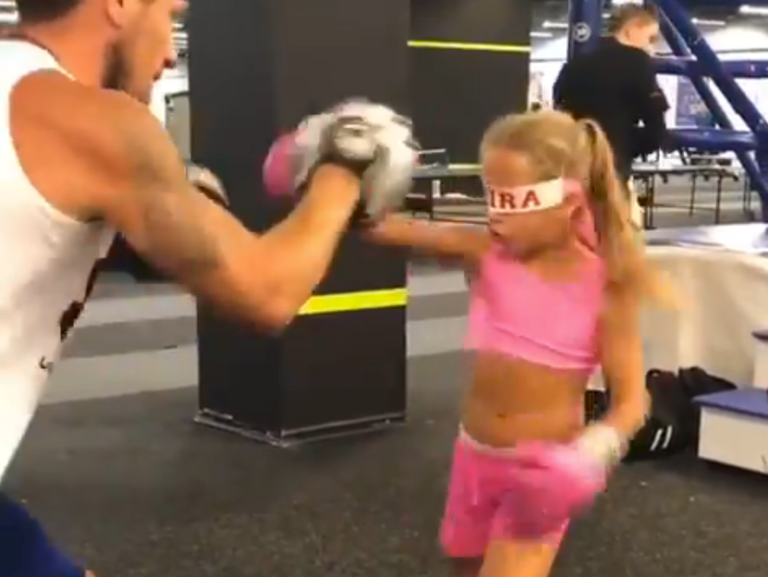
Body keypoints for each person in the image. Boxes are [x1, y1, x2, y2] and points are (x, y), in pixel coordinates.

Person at [0, 0, 417, 576]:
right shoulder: (92, 120)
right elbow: (267, 292)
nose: (171, 49)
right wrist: (346, 167)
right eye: (170, 15)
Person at [366, 110, 673, 577]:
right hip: (473, 455)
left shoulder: (607, 286)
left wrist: (592, 451)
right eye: (491, 198)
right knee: (464, 567)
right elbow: (382, 227)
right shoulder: (485, 252)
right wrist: (337, 177)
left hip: (540, 474)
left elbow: (632, 399)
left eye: (512, 202)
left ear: (568, 202)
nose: (495, 215)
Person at [553, 4, 670, 228]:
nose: (651, 46)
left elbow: (560, 102)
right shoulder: (638, 62)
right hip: (614, 156)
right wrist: (639, 145)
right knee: (612, 227)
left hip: (575, 154)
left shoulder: (578, 63)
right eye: (650, 37)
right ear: (631, 30)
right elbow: (654, 116)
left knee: (577, 220)